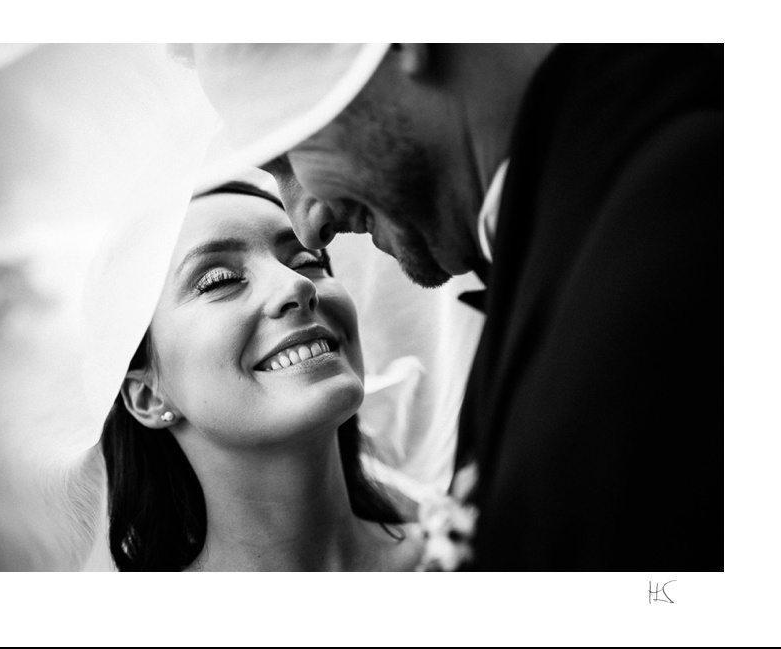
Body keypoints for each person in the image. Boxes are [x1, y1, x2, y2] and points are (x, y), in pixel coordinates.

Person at [191, 43, 722, 571]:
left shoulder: (690, 203)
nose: (311, 228)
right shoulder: (573, 236)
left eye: (291, 147)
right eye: (217, 280)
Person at [100, 179, 423, 571]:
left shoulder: (486, 550)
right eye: (219, 280)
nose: (297, 284)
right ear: (147, 396)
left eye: (308, 261)